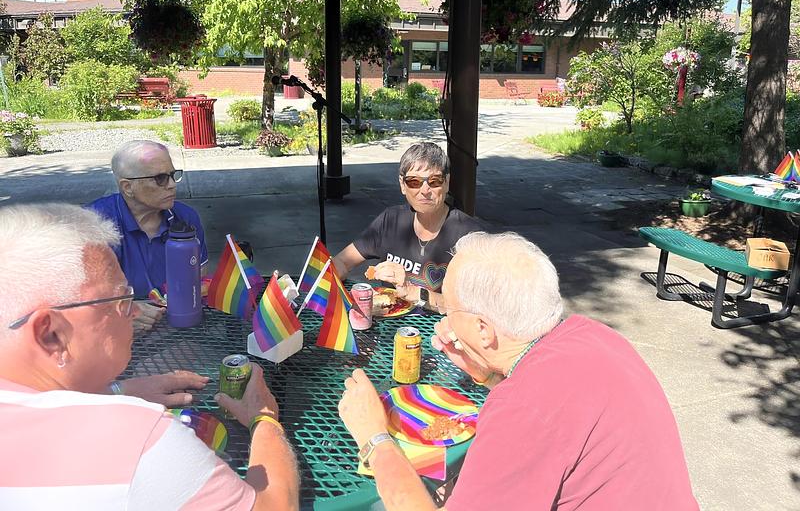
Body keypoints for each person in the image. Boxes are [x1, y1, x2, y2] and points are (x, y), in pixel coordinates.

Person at [338, 232, 699, 511]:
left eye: (448, 307)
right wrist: (489, 374)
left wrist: (374, 437)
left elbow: (533, 414)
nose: (444, 317)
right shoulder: (595, 335)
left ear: (484, 329)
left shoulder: (523, 407)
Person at [0, 203, 299, 510]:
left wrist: (116, 391)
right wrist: (263, 418)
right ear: (51, 334)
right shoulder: (137, 439)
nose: (133, 312)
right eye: (121, 300)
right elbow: (275, 506)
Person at [333, 142, 481, 311]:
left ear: (447, 183)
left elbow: (476, 307)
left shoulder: (470, 235)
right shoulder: (391, 220)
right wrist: (328, 275)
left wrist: (414, 292)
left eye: (434, 181)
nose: (425, 190)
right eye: (414, 182)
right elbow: (342, 262)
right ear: (403, 185)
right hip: (388, 323)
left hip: (441, 326)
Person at [88, 140, 208, 331]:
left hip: (178, 328)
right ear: (127, 187)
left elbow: (199, 278)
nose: (171, 185)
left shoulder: (186, 218)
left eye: (172, 175)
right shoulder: (94, 224)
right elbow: (75, 300)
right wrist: (119, 313)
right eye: (160, 178)